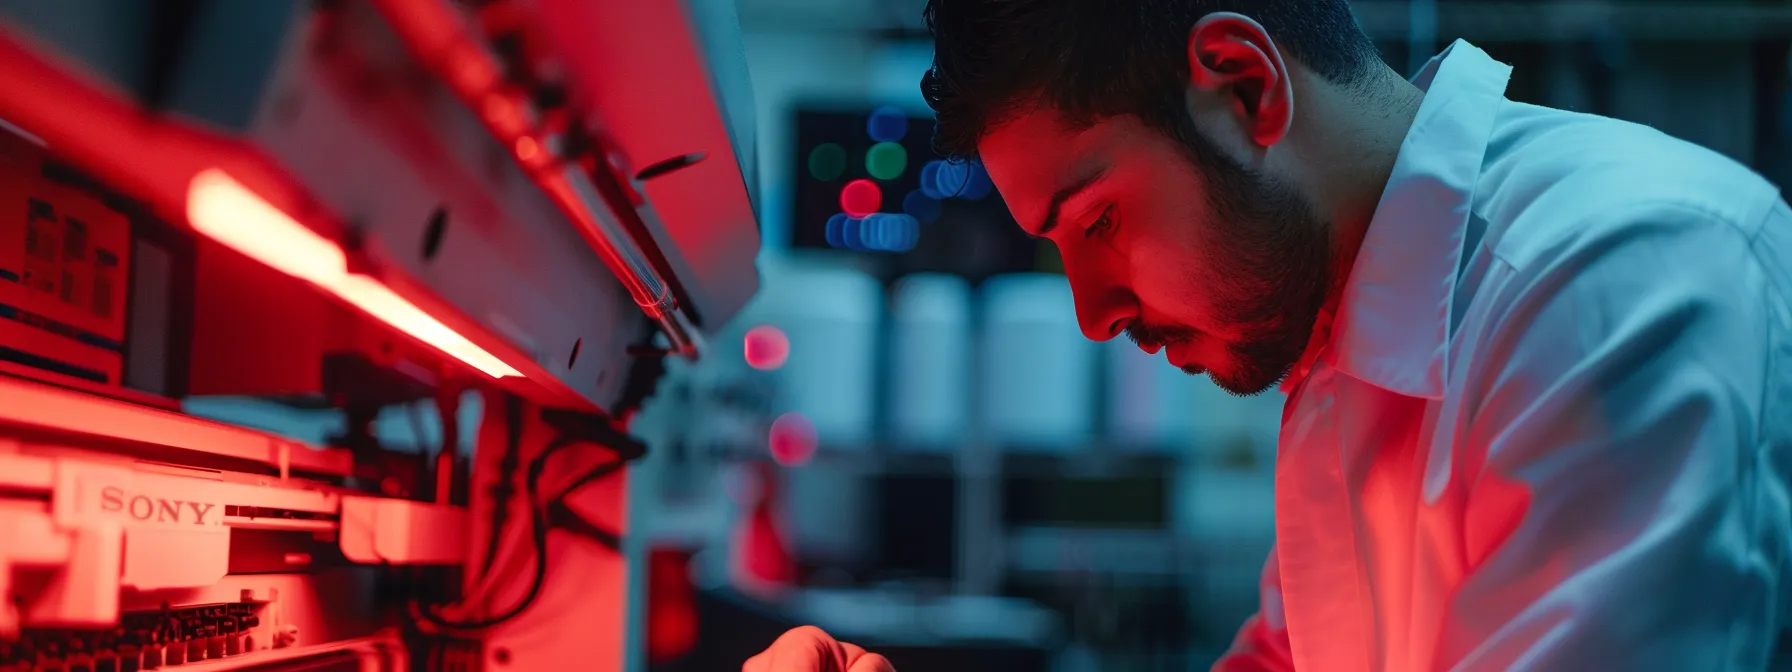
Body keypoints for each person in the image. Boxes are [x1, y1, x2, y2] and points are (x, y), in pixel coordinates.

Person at [751, 0, 1792, 669]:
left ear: (1244, 87)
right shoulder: (1340, 329)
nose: (1091, 314)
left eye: (1099, 222)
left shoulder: (1616, 273)